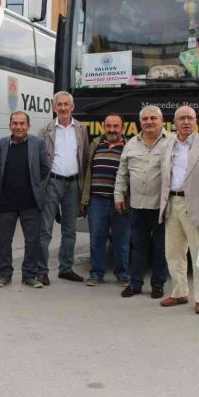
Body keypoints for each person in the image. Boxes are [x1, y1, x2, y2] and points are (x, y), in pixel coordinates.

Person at [158, 105, 199, 314]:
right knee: (173, 253)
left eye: (190, 118)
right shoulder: (167, 145)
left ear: (196, 121)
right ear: (174, 123)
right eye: (181, 118)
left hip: (196, 205)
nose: (186, 122)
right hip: (172, 204)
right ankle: (179, 292)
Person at [114, 105, 172, 299]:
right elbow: (122, 173)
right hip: (137, 205)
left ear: (161, 121)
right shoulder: (131, 143)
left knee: (160, 247)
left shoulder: (172, 142)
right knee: (137, 246)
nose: (149, 122)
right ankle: (135, 283)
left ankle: (158, 284)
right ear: (140, 122)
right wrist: (119, 195)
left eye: (153, 118)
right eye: (145, 119)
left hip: (161, 206)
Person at [37, 91, 90, 284]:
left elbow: (84, 158)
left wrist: (83, 187)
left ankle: (65, 268)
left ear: (72, 107)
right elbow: (39, 159)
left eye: (66, 104)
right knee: (45, 229)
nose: (63, 108)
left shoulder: (81, 129)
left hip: (73, 184)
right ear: (54, 108)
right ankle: (41, 270)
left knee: (69, 229)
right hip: (52, 182)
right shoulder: (45, 130)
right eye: (59, 104)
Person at [0, 111, 49, 288]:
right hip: (6, 202)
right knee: (4, 241)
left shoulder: (37, 143)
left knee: (32, 241)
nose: (18, 127)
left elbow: (45, 168)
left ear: (28, 126)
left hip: (30, 201)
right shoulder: (0, 144)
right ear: (10, 125)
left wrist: (34, 185)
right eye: (15, 123)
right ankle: (4, 274)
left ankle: (29, 275)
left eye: (22, 123)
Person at [80, 113, 130, 286]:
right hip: (97, 201)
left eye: (116, 126)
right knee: (97, 239)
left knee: (121, 239)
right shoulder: (95, 145)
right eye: (108, 126)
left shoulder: (130, 146)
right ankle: (96, 273)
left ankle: (123, 273)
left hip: (120, 202)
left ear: (122, 128)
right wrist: (85, 199)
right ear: (104, 127)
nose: (112, 130)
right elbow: (86, 169)